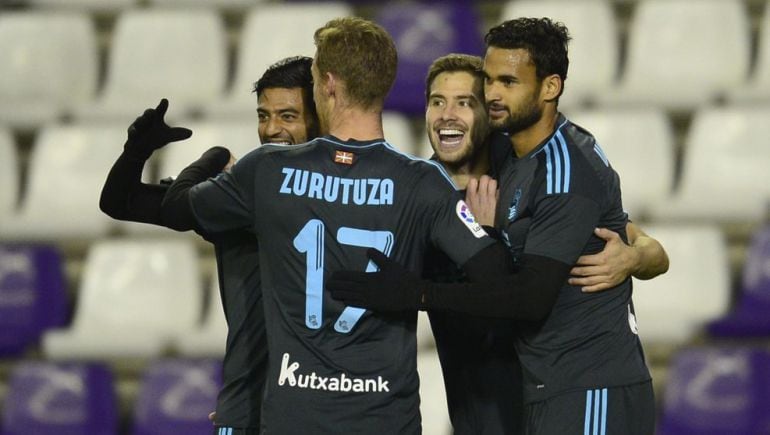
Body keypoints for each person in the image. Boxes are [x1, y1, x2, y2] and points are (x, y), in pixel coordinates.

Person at [157, 16, 523, 434]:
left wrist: (208, 159)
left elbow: (175, 208)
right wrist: (424, 291)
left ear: (328, 83)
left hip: (295, 418)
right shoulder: (423, 184)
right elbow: (498, 281)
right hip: (383, 419)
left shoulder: (268, 170)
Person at [330, 18, 664, 435]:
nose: (494, 95)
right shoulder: (436, 184)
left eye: (506, 82)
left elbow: (531, 298)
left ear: (550, 87)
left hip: (585, 385)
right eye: (489, 82)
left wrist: (637, 256)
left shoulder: (559, 169)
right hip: (526, 394)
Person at [422, 53, 669, 434]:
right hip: (479, 410)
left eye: (465, 102)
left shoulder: (531, 169)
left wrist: (633, 259)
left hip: (557, 398)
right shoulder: (417, 193)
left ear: (488, 112)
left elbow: (650, 248)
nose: (447, 115)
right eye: (437, 102)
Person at [99, 56, 316, 435]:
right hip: (249, 404)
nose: (271, 129)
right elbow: (120, 202)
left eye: (288, 116)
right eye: (264, 116)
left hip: (315, 404)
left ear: (319, 117)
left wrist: (212, 156)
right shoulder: (237, 194)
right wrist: (136, 152)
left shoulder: (244, 192)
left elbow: (174, 205)